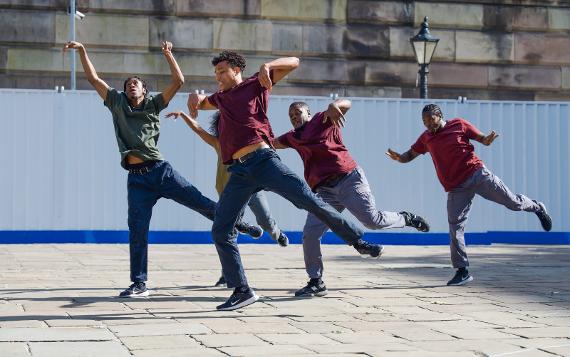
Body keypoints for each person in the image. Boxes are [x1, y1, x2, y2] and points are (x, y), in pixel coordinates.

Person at [62, 41, 262, 298]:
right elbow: (93, 78)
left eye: (136, 83)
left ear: (145, 90)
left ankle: (239, 223)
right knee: (137, 230)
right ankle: (139, 283)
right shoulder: (116, 103)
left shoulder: (154, 104)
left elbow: (178, 81)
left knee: (201, 203)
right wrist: (82, 51)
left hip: (160, 172)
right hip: (136, 180)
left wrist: (168, 55)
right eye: (127, 84)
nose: (131, 85)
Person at [188, 50, 383, 311]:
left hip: (264, 161)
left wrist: (269, 65)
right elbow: (202, 102)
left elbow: (295, 62)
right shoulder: (221, 98)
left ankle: (357, 240)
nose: (218, 77)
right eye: (215, 73)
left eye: (222, 71)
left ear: (236, 70)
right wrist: (195, 98)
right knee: (221, 230)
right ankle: (242, 290)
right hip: (240, 172)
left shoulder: (256, 84)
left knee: (309, 201)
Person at [272, 99, 430, 297]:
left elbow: (347, 103)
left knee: (373, 221)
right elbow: (271, 144)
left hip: (348, 180)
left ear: (309, 113)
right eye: (291, 116)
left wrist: (334, 105)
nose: (294, 117)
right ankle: (316, 281)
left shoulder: (322, 119)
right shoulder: (293, 137)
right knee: (310, 234)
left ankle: (406, 218)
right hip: (325, 192)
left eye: (298, 112)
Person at [386, 104, 552, 286]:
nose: (428, 124)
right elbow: (410, 154)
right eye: (424, 121)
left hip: (477, 175)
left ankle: (537, 207)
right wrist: (400, 158)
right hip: (456, 188)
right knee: (455, 227)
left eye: (430, 119)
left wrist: (487, 140)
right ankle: (462, 270)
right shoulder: (426, 138)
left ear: (439, 115)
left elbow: (482, 139)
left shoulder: (458, 124)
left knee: (513, 203)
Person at [165, 110, 290, 286]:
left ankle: (277, 234)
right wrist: (184, 115)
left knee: (265, 220)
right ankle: (228, 273)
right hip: (230, 193)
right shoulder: (219, 143)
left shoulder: (247, 143)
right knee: (226, 231)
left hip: (252, 188)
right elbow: (199, 129)